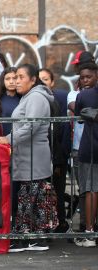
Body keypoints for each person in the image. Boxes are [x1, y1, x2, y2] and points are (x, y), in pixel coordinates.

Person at [0, 64, 56, 252]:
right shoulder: (29, 97)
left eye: (21, 77)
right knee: (30, 197)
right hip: (27, 156)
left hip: (33, 158)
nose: (17, 81)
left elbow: (31, 126)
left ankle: (28, 239)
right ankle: (32, 238)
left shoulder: (36, 97)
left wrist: (8, 139)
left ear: (33, 79)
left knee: (28, 197)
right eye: (16, 77)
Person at [39, 68, 72, 233]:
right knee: (43, 192)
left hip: (57, 154)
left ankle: (60, 224)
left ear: (52, 82)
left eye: (45, 79)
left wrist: (60, 159)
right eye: (39, 79)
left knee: (57, 191)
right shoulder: (34, 100)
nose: (42, 82)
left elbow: (63, 130)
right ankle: (45, 225)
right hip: (41, 155)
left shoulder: (60, 98)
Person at [74, 63, 98, 247]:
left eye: (87, 77)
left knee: (90, 189)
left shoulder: (84, 95)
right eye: (82, 77)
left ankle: (90, 231)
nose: (84, 81)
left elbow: (77, 113)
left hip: (90, 148)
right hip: (90, 147)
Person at [0, 67, 20, 135]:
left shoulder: (25, 98)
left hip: (19, 139)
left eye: (14, 78)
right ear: (3, 81)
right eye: (7, 79)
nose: (11, 82)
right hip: (0, 141)